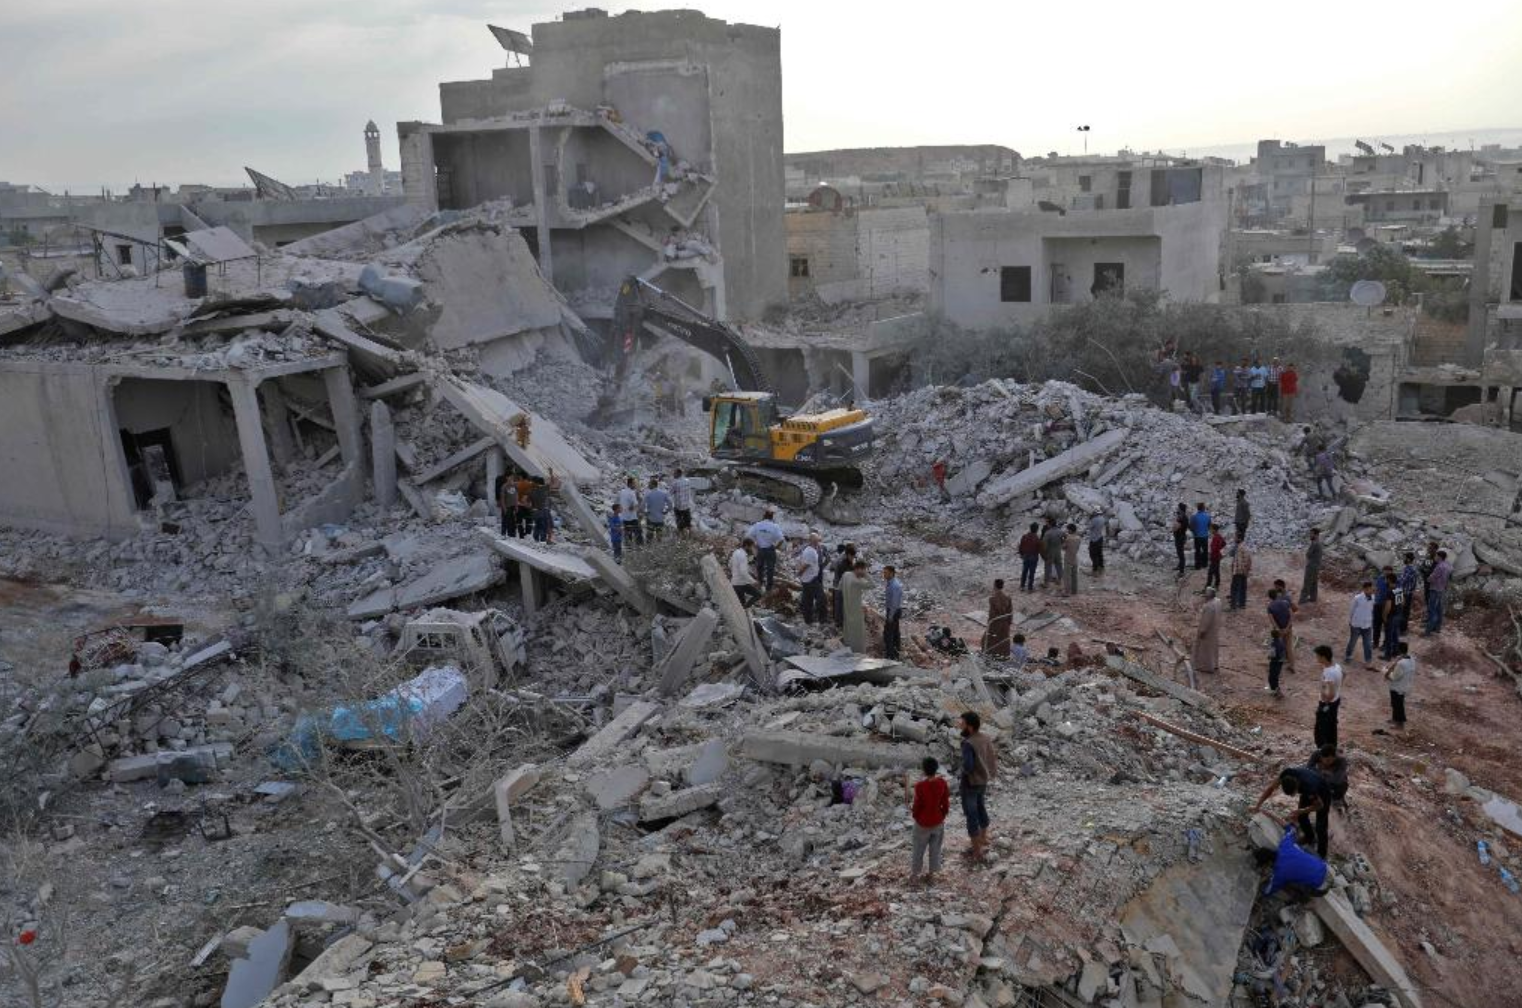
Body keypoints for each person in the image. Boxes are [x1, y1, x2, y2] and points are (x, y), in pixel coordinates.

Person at [1253, 763, 1332, 860]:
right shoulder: (1286, 774)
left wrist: (1301, 810)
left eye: (1292, 794)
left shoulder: (1309, 787)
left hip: (1322, 792)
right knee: (1302, 817)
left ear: (1297, 785)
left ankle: (1321, 855)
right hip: (1307, 788)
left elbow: (1319, 805)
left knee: (1321, 825)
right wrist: (1257, 805)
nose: (1291, 797)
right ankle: (1309, 837)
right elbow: (1270, 789)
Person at [957, 711, 998, 861]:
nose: (959, 724)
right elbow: (991, 757)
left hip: (970, 783)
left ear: (970, 726)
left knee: (971, 814)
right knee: (981, 807)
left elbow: (968, 766)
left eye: (962, 722)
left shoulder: (968, 743)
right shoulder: (985, 738)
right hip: (983, 780)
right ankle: (984, 837)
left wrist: (961, 771)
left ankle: (976, 851)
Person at [1259, 816, 1332, 898]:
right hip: (1328, 872)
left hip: (1321, 889)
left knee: (1289, 882)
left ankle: (1302, 897)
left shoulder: (1280, 873)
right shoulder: (1285, 845)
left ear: (1269, 862)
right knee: (1303, 848)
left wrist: (1263, 892)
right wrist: (1269, 814)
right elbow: (1290, 829)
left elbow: (1269, 890)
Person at [905, 757, 950, 885]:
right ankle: (932, 875)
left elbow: (918, 805)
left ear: (923, 770)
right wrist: (943, 814)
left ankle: (915, 876)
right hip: (937, 821)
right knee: (935, 849)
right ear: (936, 769)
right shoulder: (942, 783)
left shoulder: (920, 786)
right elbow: (945, 802)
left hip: (923, 823)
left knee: (918, 849)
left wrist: (915, 815)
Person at [1313, 645, 1344, 751]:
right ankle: (1332, 748)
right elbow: (1344, 674)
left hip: (1328, 704)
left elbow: (1330, 694)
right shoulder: (1336, 666)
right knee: (1332, 727)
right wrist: (1337, 687)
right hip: (1336, 701)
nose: (1316, 658)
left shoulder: (1329, 673)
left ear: (1323, 657)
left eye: (1317, 656)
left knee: (1321, 729)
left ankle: (1323, 751)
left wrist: (1324, 698)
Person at [746, 509, 785, 592]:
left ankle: (760, 583)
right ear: (772, 517)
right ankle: (768, 587)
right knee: (770, 569)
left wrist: (755, 544)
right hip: (770, 549)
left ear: (764, 516)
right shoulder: (775, 526)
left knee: (760, 567)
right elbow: (781, 539)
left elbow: (749, 536)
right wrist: (776, 547)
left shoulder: (758, 525)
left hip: (760, 549)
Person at [796, 533, 825, 625]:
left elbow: (801, 562)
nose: (818, 543)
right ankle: (822, 619)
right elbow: (805, 565)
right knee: (821, 598)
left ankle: (808, 620)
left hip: (807, 579)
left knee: (808, 600)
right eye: (817, 541)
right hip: (811, 579)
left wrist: (800, 575)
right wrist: (799, 573)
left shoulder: (807, 550)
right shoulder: (811, 552)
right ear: (814, 542)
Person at [1384, 641, 1415, 728]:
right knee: (1396, 703)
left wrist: (1385, 671)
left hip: (1398, 687)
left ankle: (1400, 723)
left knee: (1398, 705)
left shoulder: (1401, 663)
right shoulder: (1411, 659)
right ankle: (1395, 719)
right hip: (1405, 685)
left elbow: (1394, 677)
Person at [1423, 549, 1452, 636]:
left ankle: (1428, 631)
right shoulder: (1448, 565)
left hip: (1435, 589)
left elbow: (1432, 577)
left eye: (1436, 556)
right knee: (1439, 610)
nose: (1435, 557)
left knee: (1432, 610)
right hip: (1442, 589)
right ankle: (1437, 628)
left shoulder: (1439, 567)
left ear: (1439, 557)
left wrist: (1428, 579)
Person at [1344, 581, 1375, 664]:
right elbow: (1352, 610)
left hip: (1367, 624)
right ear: (1365, 589)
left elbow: (1372, 610)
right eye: (1371, 589)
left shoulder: (1373, 598)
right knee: (1353, 642)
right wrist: (1350, 621)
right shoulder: (1357, 598)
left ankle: (1368, 660)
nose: (1372, 590)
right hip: (1356, 624)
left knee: (1368, 644)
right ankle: (1348, 656)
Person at [841, 560, 868, 652]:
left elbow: (839, 587)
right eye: (863, 570)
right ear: (859, 569)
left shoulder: (845, 575)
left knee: (848, 631)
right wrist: (866, 575)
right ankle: (858, 653)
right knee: (858, 634)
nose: (863, 572)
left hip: (847, 608)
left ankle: (848, 649)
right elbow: (873, 585)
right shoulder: (857, 581)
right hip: (856, 611)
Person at [1193, 587, 1222, 674]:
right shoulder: (1218, 601)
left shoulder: (1209, 606)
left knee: (1205, 649)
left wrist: (1202, 631)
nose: (1205, 595)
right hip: (1215, 628)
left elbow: (1206, 620)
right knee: (1213, 648)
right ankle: (1215, 664)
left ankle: (1206, 667)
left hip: (1208, 631)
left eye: (1206, 593)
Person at [983, 579, 1014, 658]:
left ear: (994, 586)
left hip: (995, 623)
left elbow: (992, 614)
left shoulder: (992, 599)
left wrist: (989, 624)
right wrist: (1008, 623)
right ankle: (1003, 657)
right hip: (1005, 624)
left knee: (987, 641)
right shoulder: (1008, 598)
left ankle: (988, 656)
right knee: (1003, 642)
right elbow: (1010, 612)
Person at [1379, 570, 1403, 660]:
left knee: (1388, 636)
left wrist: (1384, 616)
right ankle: (1395, 651)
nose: (1385, 581)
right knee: (1395, 634)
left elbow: (1388, 606)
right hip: (1398, 614)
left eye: (1386, 579)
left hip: (1391, 616)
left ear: (1389, 580)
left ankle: (1387, 655)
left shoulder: (1390, 592)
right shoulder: (1398, 589)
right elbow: (1402, 602)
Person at [831, 544, 857, 627]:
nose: (853, 558)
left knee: (841, 605)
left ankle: (840, 621)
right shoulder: (842, 563)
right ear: (849, 555)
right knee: (840, 605)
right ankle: (839, 623)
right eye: (852, 556)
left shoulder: (847, 561)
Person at [730, 538, 759, 607]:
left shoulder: (736, 552)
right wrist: (753, 582)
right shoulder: (743, 556)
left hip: (735, 582)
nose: (752, 549)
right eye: (751, 547)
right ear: (746, 546)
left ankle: (744, 610)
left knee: (741, 604)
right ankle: (745, 608)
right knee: (758, 595)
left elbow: (730, 564)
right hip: (742, 583)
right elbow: (743, 572)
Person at [882, 565, 904, 659]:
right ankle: (896, 652)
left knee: (888, 634)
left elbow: (894, 603)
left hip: (893, 611)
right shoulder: (891, 583)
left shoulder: (895, 585)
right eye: (884, 573)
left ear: (891, 573)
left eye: (886, 573)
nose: (884, 575)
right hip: (893, 610)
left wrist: (890, 616)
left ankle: (890, 654)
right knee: (894, 632)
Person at [1228, 534, 1252, 611]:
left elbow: (1236, 560)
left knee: (1234, 589)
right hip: (1244, 571)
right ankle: (1242, 604)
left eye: (1235, 537)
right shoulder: (1245, 546)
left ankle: (1233, 606)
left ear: (1239, 538)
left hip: (1238, 571)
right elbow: (1249, 560)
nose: (1234, 538)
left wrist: (1235, 570)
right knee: (1243, 588)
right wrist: (1247, 570)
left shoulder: (1239, 548)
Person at [1397, 552, 1419, 635]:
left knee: (1400, 611)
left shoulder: (1408, 568)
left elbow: (1402, 581)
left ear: (1408, 559)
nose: (1403, 559)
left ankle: (1400, 629)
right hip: (1408, 592)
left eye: (1405, 558)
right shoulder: (1413, 568)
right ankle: (1403, 629)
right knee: (1405, 611)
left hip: (1402, 592)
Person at [643, 477, 671, 542]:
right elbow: (670, 504)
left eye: (649, 484)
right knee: (659, 537)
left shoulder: (648, 494)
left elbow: (642, 505)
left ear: (653, 485)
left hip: (651, 518)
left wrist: (645, 512)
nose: (648, 485)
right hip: (660, 519)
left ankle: (649, 550)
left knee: (649, 537)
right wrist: (666, 511)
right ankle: (658, 550)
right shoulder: (663, 494)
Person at [618, 476, 643, 547]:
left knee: (628, 534)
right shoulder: (631, 493)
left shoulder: (622, 492)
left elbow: (619, 503)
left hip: (624, 517)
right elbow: (635, 505)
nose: (635, 485)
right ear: (630, 484)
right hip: (632, 517)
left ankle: (629, 549)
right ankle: (640, 549)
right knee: (638, 533)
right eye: (634, 483)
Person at [1299, 528, 1323, 604]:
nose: (1310, 535)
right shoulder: (1318, 543)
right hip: (1316, 567)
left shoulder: (1315, 544)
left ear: (1316, 535)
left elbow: (1308, 554)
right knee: (1313, 583)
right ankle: (1313, 598)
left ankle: (1302, 601)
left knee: (1307, 583)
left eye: (1311, 534)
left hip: (1311, 567)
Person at [1041, 518, 1066, 588]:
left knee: (1047, 567)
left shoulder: (1048, 533)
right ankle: (1060, 580)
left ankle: (1046, 583)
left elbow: (1044, 544)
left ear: (1050, 524)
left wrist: (1044, 553)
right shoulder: (1060, 531)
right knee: (1059, 566)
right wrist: (1062, 543)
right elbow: (1065, 537)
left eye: (1048, 523)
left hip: (1050, 552)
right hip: (1058, 551)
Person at [1017, 523, 1042, 592]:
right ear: (1037, 529)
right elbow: (1039, 549)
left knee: (1024, 571)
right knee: (1032, 572)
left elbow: (1021, 546)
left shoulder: (1024, 536)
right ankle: (1030, 587)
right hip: (1033, 557)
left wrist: (1021, 554)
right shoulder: (1037, 538)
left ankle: (1022, 586)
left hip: (1025, 556)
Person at [670, 468, 695, 533]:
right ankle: (689, 532)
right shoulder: (688, 481)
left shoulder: (675, 483)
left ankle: (681, 532)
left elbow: (670, 492)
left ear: (678, 474)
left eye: (674, 473)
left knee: (679, 520)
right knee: (687, 520)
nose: (673, 474)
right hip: (686, 505)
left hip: (679, 506)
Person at [529, 476, 552, 542]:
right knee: (543, 526)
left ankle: (536, 539)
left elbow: (527, 501)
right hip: (544, 510)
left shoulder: (533, 490)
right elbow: (551, 483)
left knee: (538, 525)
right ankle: (542, 540)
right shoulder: (545, 488)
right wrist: (551, 473)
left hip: (536, 511)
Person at [1062, 523, 1081, 596]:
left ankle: (1067, 591)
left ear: (1070, 530)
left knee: (1067, 576)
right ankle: (1074, 591)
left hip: (1068, 558)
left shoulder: (1068, 539)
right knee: (1074, 576)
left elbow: (1063, 547)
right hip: (1075, 557)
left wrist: (1063, 539)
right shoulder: (1078, 538)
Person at [1190, 503, 1211, 569]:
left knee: (1197, 551)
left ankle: (1197, 565)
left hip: (1197, 536)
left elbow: (1191, 526)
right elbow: (1209, 525)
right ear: (1203, 508)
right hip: (1205, 536)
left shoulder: (1194, 517)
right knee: (1205, 550)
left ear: (1198, 508)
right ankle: (1205, 564)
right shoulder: (1207, 516)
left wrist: (1194, 532)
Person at [1266, 627, 1286, 698]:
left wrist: (1269, 657)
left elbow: (1272, 654)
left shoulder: (1273, 644)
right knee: (1276, 676)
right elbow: (1283, 652)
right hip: (1280, 662)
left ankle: (1276, 691)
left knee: (1272, 677)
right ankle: (1277, 691)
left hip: (1274, 662)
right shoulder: (1281, 643)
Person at [515, 473, 535, 538]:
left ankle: (521, 535)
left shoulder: (518, 484)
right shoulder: (530, 484)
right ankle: (528, 535)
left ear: (521, 477)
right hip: (528, 505)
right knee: (529, 520)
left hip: (520, 504)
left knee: (519, 521)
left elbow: (516, 495)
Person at [1172, 504, 1189, 575]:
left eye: (1178, 508)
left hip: (1180, 538)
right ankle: (1180, 566)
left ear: (1181, 509)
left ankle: (1181, 571)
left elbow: (1176, 527)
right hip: (1180, 537)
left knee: (1180, 554)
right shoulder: (1182, 517)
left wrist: (1174, 525)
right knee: (1179, 553)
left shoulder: (1182, 518)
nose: (1177, 509)